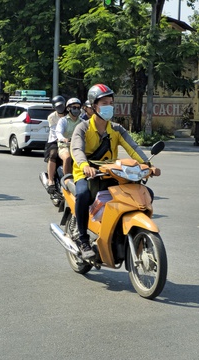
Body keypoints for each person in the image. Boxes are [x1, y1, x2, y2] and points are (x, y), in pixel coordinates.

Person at [70, 84, 161, 259]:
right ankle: (82, 239)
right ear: (93, 106)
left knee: (145, 193)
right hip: (86, 174)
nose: (108, 106)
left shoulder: (117, 129)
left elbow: (133, 147)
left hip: (111, 173)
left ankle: (119, 232)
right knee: (82, 195)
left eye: (111, 102)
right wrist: (84, 166)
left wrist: (147, 165)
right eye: (104, 103)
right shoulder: (82, 128)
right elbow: (77, 150)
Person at [55, 98, 84, 175]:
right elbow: (58, 132)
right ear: (68, 109)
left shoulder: (82, 122)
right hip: (65, 146)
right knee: (67, 158)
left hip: (78, 147)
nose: (76, 110)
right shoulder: (63, 120)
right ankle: (67, 180)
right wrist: (63, 139)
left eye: (78, 108)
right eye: (74, 107)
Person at [44, 95, 67, 193]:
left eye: (62, 105)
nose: (60, 108)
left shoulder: (70, 115)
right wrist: (63, 139)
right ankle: (50, 180)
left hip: (70, 140)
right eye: (58, 106)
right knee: (53, 154)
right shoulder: (52, 117)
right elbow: (55, 132)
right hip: (55, 140)